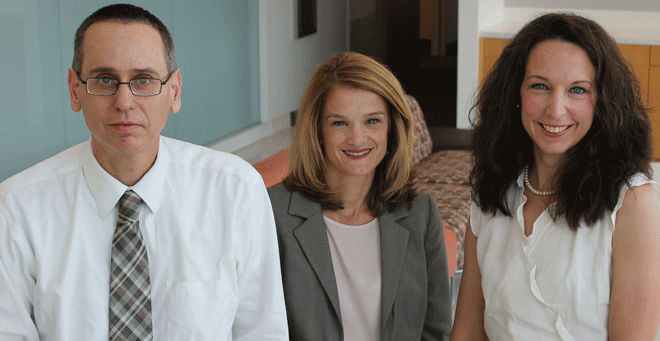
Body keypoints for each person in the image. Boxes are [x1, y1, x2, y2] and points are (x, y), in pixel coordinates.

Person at [0, 4, 287, 340]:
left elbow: (262, 332)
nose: (124, 101)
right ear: (74, 89)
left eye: (143, 79)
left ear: (174, 90)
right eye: (104, 79)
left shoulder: (235, 192)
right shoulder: (17, 208)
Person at [451, 13, 660, 340]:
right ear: (515, 94)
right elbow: (466, 331)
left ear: (602, 101)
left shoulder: (633, 203)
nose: (555, 109)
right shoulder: (491, 193)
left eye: (577, 90)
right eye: (540, 86)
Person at [268, 52, 452, 341]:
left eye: (372, 121)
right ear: (317, 130)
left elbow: (436, 330)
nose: (357, 139)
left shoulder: (421, 213)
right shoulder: (273, 212)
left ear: (392, 128)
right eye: (339, 123)